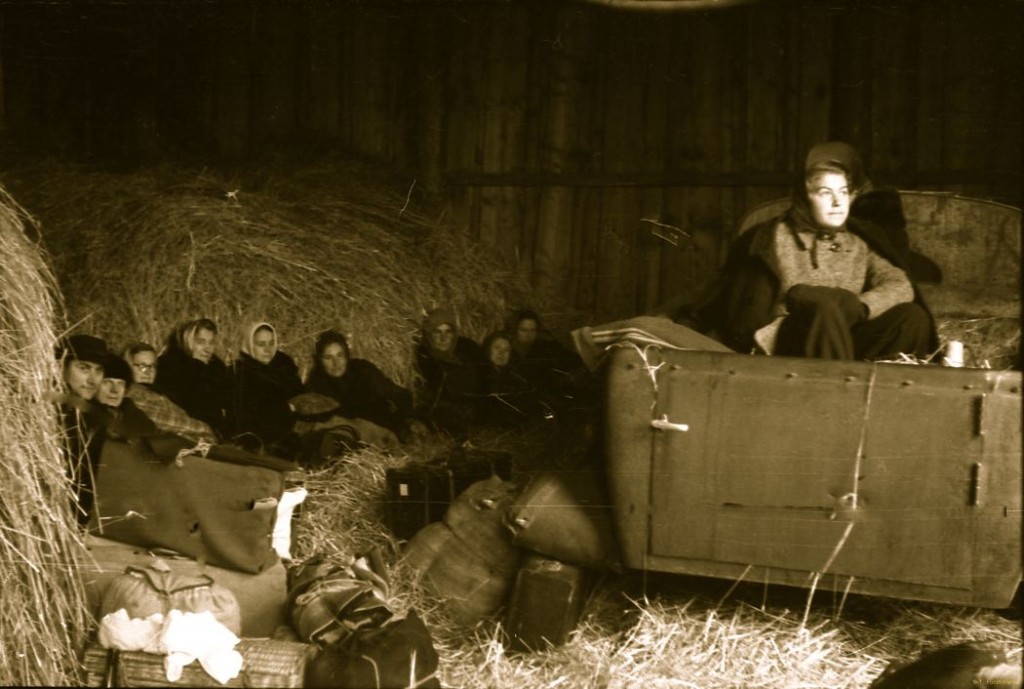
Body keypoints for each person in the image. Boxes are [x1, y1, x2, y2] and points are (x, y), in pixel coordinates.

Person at [685, 141, 938, 361]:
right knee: (822, 307)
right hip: (789, 343)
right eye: (825, 193)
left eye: (843, 193)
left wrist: (861, 307)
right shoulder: (775, 238)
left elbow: (899, 283)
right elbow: (738, 304)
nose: (838, 203)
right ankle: (836, 391)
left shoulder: (857, 243)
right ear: (806, 199)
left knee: (911, 317)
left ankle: (878, 392)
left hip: (842, 338)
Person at [305, 329, 416, 443]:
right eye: (328, 358)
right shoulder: (316, 384)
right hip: (349, 438)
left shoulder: (363, 370)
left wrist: (402, 418)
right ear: (319, 360)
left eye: (340, 355)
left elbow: (399, 394)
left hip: (382, 429)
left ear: (347, 355)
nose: (336, 363)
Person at [54, 333, 111, 525]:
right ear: (62, 366)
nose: (93, 380)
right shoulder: (45, 411)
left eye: (99, 370)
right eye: (84, 368)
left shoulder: (94, 416)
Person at [230, 321, 304, 457]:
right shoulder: (240, 374)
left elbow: (301, 399)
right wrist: (286, 409)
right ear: (250, 345)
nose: (267, 349)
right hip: (261, 440)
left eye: (271, 343)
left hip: (293, 431)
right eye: (261, 344)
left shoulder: (285, 368)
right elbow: (246, 417)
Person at [122, 342, 218, 444]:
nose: (148, 371)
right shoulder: (134, 394)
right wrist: (205, 429)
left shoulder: (154, 392)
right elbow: (164, 421)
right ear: (127, 367)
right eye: (142, 366)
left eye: (152, 366)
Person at [413, 307, 485, 436]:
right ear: (429, 335)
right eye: (437, 332)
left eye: (448, 332)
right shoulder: (423, 360)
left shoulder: (468, 351)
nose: (443, 338)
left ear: (455, 334)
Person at [155, 318, 231, 438]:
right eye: (201, 342)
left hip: (216, 437)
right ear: (188, 342)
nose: (207, 349)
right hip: (184, 436)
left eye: (211, 343)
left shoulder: (216, 371)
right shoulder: (171, 369)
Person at [477, 330, 542, 428]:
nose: (501, 353)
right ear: (488, 349)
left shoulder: (516, 377)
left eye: (506, 350)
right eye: (497, 348)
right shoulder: (478, 375)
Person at [95, 354, 158, 443]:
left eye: (120, 384)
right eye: (107, 382)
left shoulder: (134, 414)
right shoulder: (85, 416)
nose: (114, 390)